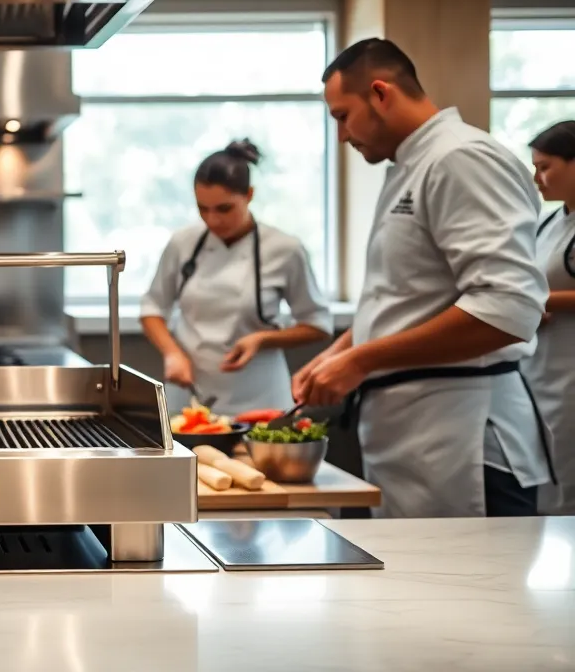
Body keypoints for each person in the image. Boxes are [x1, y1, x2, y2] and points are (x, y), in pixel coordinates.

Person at [294, 38, 553, 518]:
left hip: (465, 438)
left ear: (380, 93)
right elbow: (408, 296)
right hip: (417, 430)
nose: (342, 136)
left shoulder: (460, 158)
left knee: (470, 590)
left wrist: (361, 360)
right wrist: (343, 351)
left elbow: (507, 309)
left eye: (342, 116)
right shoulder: (410, 167)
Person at [140, 140, 333, 416]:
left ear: (249, 195)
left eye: (224, 208)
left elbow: (318, 324)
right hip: (189, 397)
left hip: (260, 398)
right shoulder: (183, 243)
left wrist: (261, 340)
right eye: (202, 208)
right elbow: (152, 308)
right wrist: (172, 353)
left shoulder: (285, 249)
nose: (212, 220)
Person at [522, 121, 575, 515]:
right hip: (540, 369)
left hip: (569, 372)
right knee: (548, 479)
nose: (537, 178)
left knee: (567, 481)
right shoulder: (551, 221)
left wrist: (544, 301)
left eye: (546, 167)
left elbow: (542, 293)